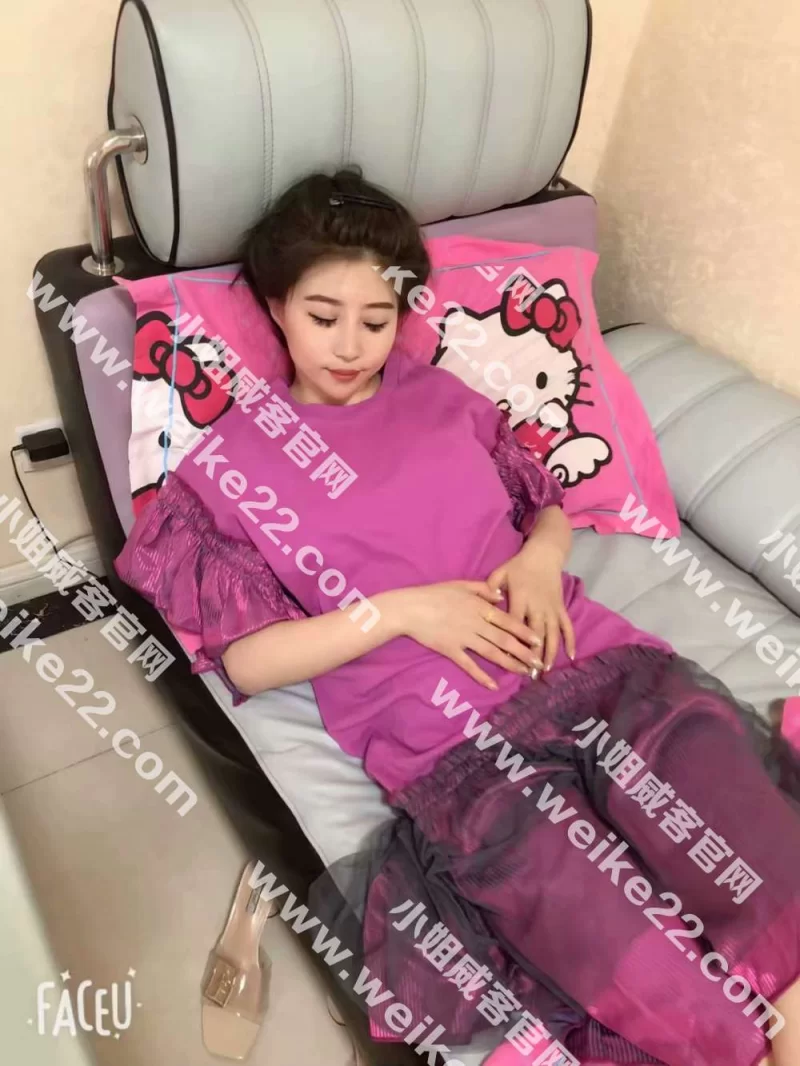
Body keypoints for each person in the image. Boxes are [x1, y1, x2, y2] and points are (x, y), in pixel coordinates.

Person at [116, 167, 800, 1066]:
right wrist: (404, 613)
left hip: (606, 676)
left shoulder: (444, 402)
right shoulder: (231, 467)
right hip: (460, 753)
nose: (351, 344)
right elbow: (247, 662)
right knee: (646, 972)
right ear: (277, 307)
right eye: (323, 316)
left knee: (761, 877)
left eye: (377, 319)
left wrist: (541, 558)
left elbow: (544, 505)